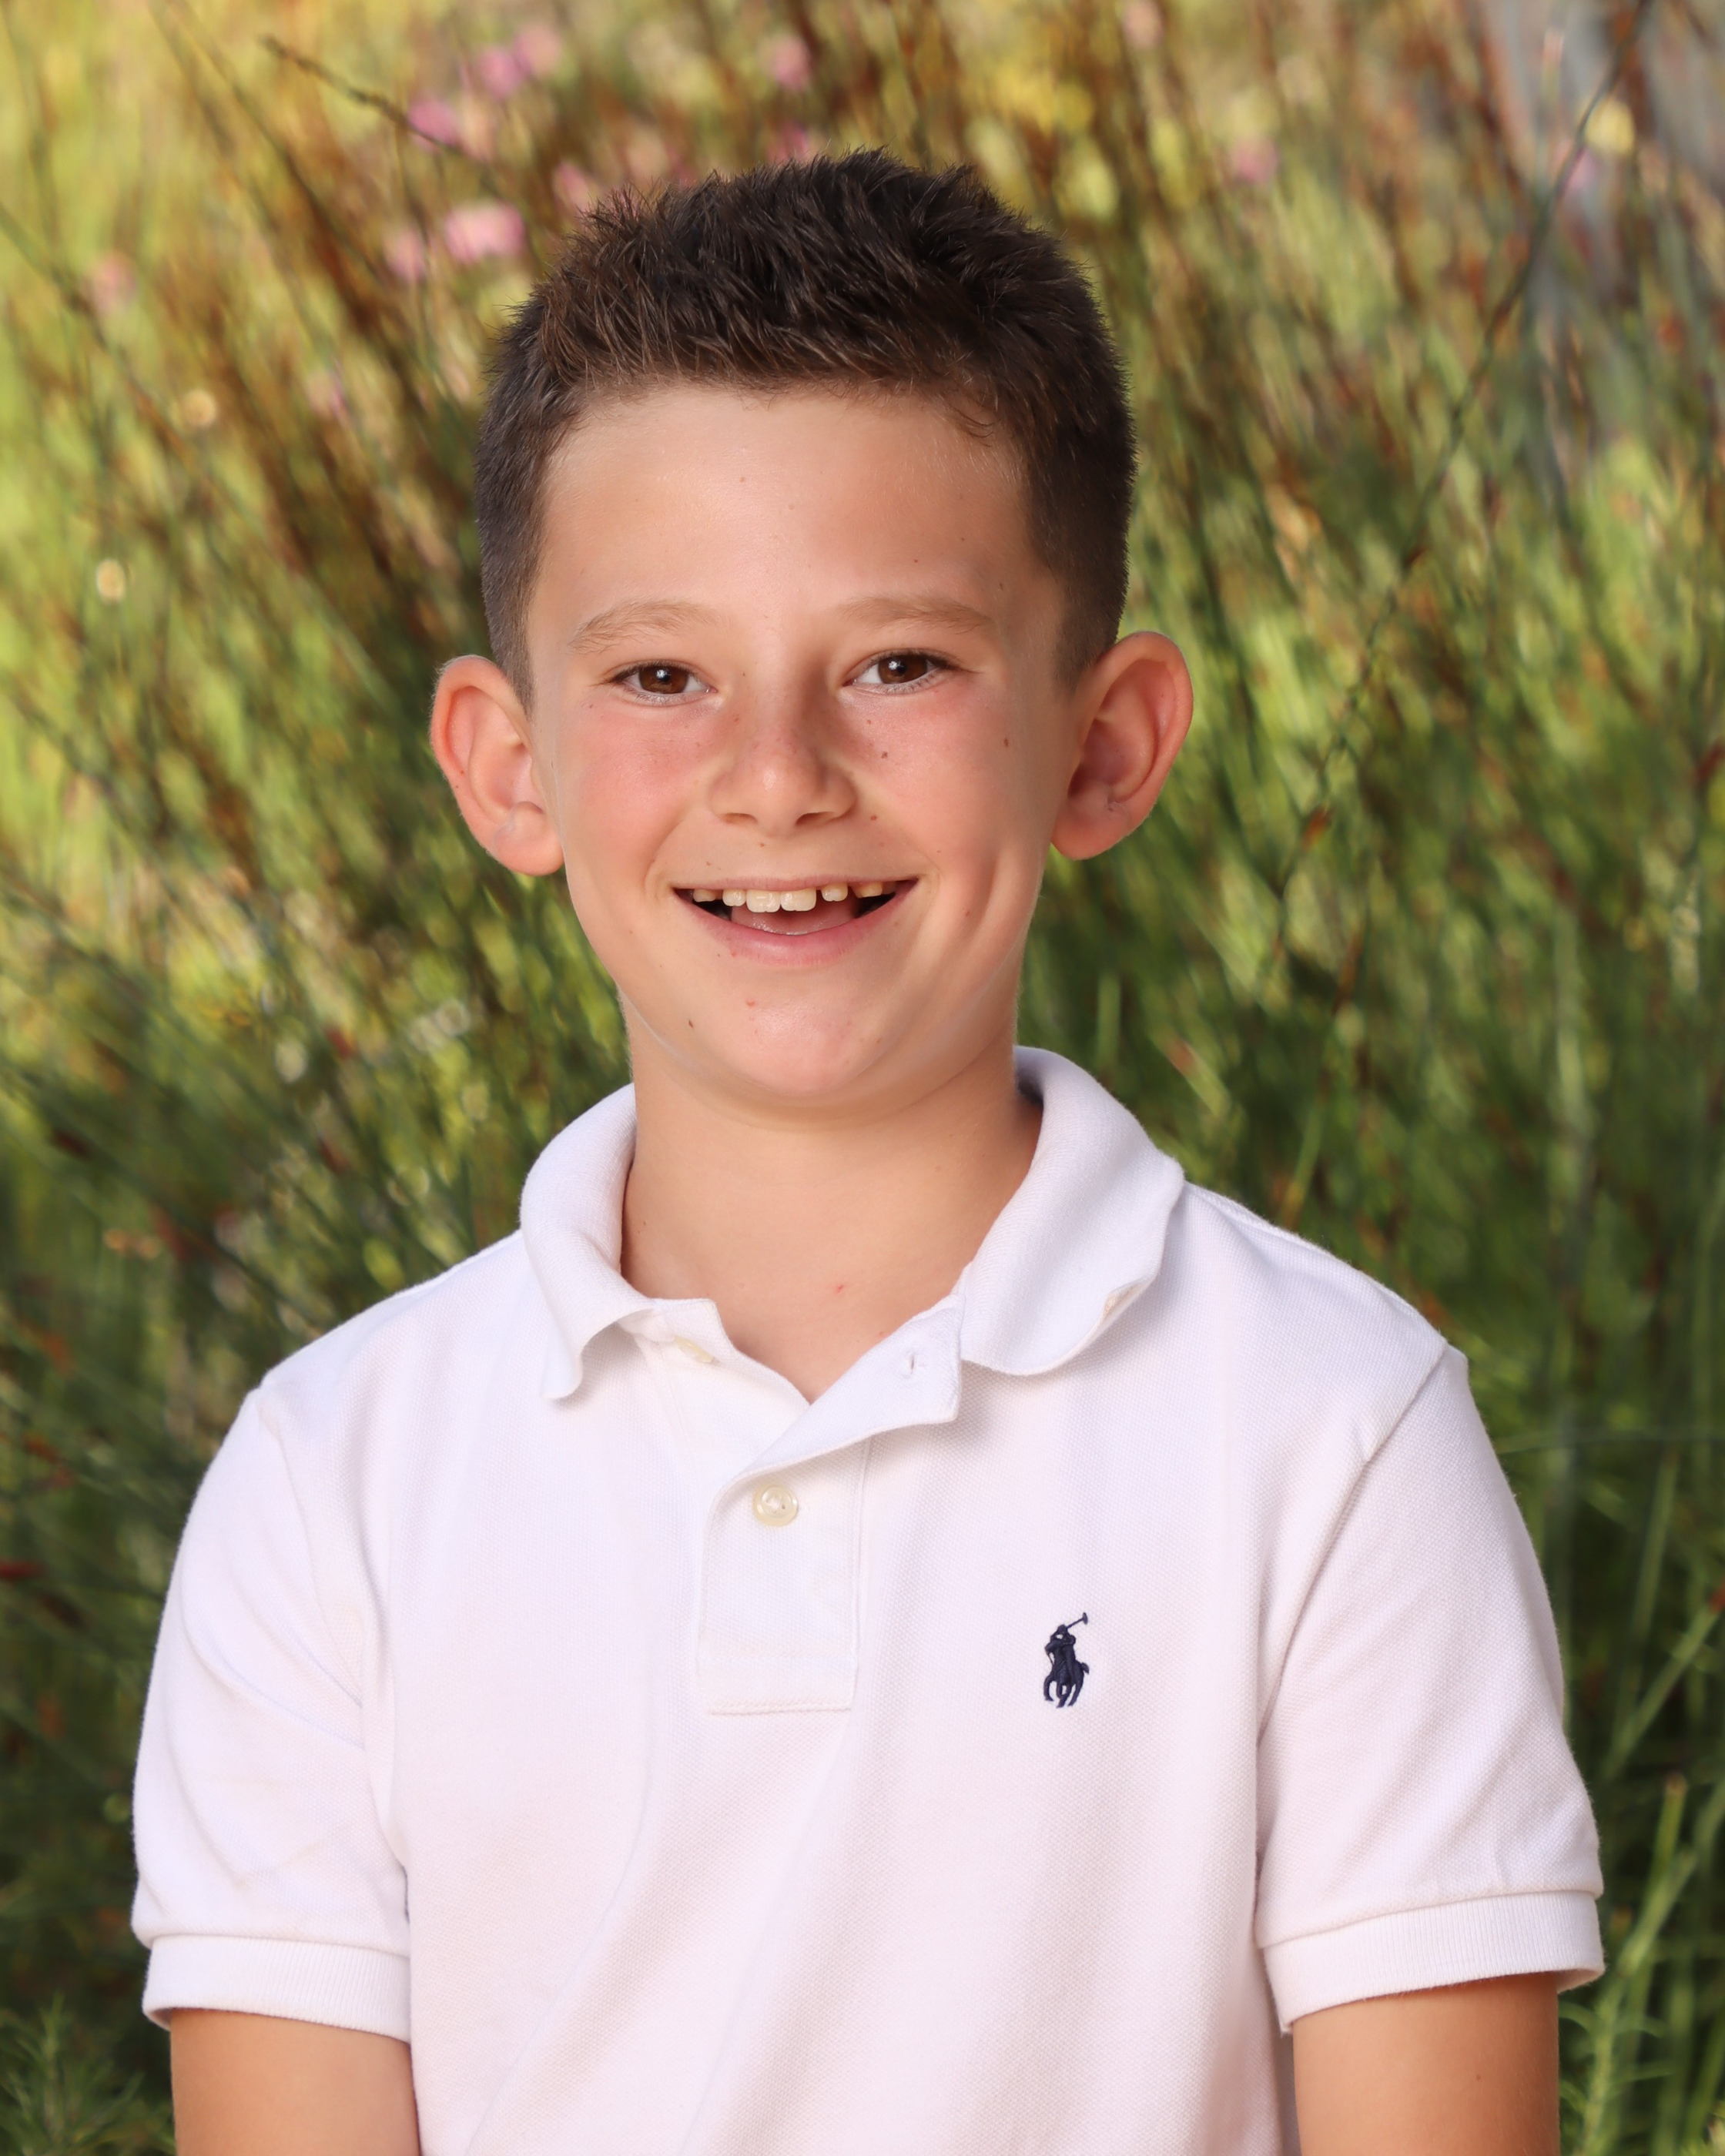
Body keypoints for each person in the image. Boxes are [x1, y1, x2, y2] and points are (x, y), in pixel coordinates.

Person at [133, 151, 1602, 2156]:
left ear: (1102, 743)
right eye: (663, 675)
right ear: (507, 765)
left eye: (900, 663)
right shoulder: (333, 1489)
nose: (777, 777)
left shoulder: (1333, 1435)